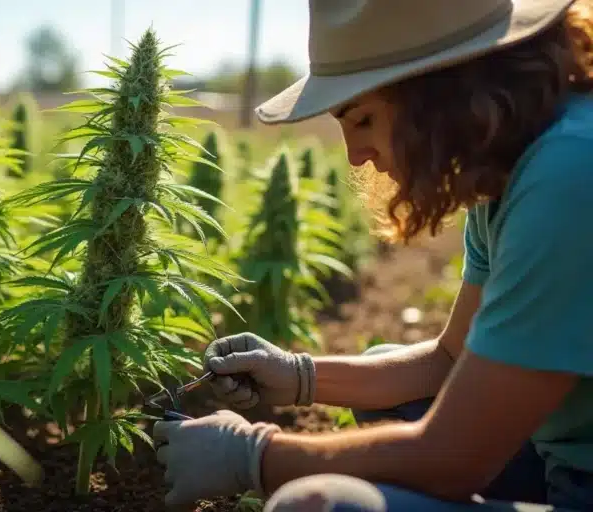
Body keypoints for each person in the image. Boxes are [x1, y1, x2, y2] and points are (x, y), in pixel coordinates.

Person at [152, 0, 593, 510]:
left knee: (318, 505)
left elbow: (455, 459)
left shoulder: (568, 175)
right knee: (384, 375)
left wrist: (252, 455)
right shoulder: (509, 166)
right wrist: (298, 375)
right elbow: (449, 358)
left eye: (362, 119)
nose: (355, 155)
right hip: (558, 455)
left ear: (443, 92)